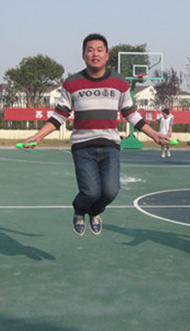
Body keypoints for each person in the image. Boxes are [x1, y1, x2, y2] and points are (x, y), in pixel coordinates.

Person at [23, 33, 170, 236]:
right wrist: (38, 136)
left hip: (110, 146)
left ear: (107, 55)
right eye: (90, 50)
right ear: (83, 55)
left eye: (100, 50)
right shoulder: (72, 83)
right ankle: (79, 211)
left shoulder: (119, 82)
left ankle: (94, 212)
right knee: (90, 192)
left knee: (110, 192)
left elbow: (130, 113)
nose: (95, 54)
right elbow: (59, 115)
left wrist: (154, 134)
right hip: (82, 147)